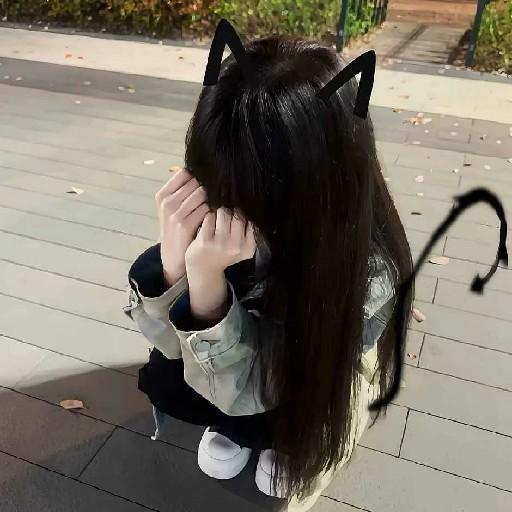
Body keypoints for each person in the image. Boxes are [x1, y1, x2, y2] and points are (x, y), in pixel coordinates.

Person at [123, 23, 414, 512]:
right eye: (218, 184)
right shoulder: (226, 202)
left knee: (286, 400)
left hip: (312, 372)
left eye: (257, 196)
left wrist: (206, 287)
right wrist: (174, 269)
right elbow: (174, 350)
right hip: (242, 362)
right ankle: (243, 429)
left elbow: (271, 381)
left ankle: (293, 439)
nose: (234, 211)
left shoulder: (366, 274)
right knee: (179, 376)